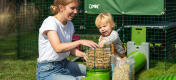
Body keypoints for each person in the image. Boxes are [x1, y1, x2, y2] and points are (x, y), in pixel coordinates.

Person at [36, 0, 99, 80]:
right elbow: (58, 48)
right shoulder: (50, 22)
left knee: (93, 71)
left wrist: (83, 54)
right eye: (72, 8)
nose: (76, 11)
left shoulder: (70, 25)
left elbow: (69, 48)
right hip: (48, 70)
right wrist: (80, 42)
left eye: (76, 8)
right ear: (61, 7)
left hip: (65, 64)